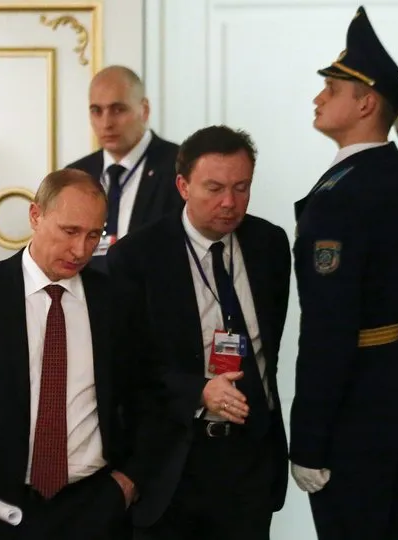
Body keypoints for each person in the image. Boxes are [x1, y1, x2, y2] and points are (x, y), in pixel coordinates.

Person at [289, 6, 398, 540]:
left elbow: (328, 328)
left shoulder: (338, 199)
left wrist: (310, 439)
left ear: (366, 102)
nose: (318, 97)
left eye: (332, 88)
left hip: (355, 414)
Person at [0, 169, 145, 540]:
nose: (81, 250)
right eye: (69, 231)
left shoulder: (117, 300)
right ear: (36, 216)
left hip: (91, 507)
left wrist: (128, 479)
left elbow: (145, 394)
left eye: (93, 235)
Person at [107, 125, 291, 540]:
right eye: (214, 188)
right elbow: (127, 366)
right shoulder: (137, 258)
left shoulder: (270, 245)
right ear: (182, 186)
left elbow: (270, 350)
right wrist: (198, 391)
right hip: (173, 459)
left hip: (251, 460)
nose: (230, 202)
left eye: (242, 187)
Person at [67, 65, 182, 270]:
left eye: (118, 109)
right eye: (96, 111)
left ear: (144, 110)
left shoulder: (179, 166)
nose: (106, 123)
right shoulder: (76, 174)